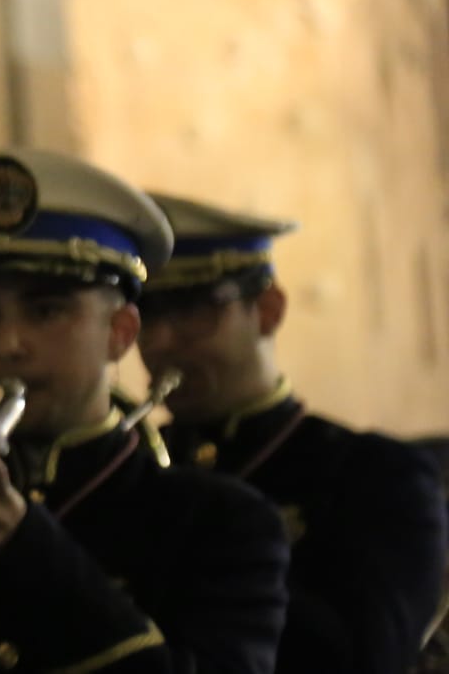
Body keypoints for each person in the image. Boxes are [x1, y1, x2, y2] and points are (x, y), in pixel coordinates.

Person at [0, 146, 290, 673]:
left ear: (120, 334)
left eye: (46, 310)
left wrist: (29, 553)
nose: (9, 344)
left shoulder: (220, 522)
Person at [138, 192, 449, 674]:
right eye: (146, 317)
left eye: (192, 312)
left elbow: (367, 656)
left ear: (268, 310)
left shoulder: (373, 476)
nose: (159, 343)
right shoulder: (133, 465)